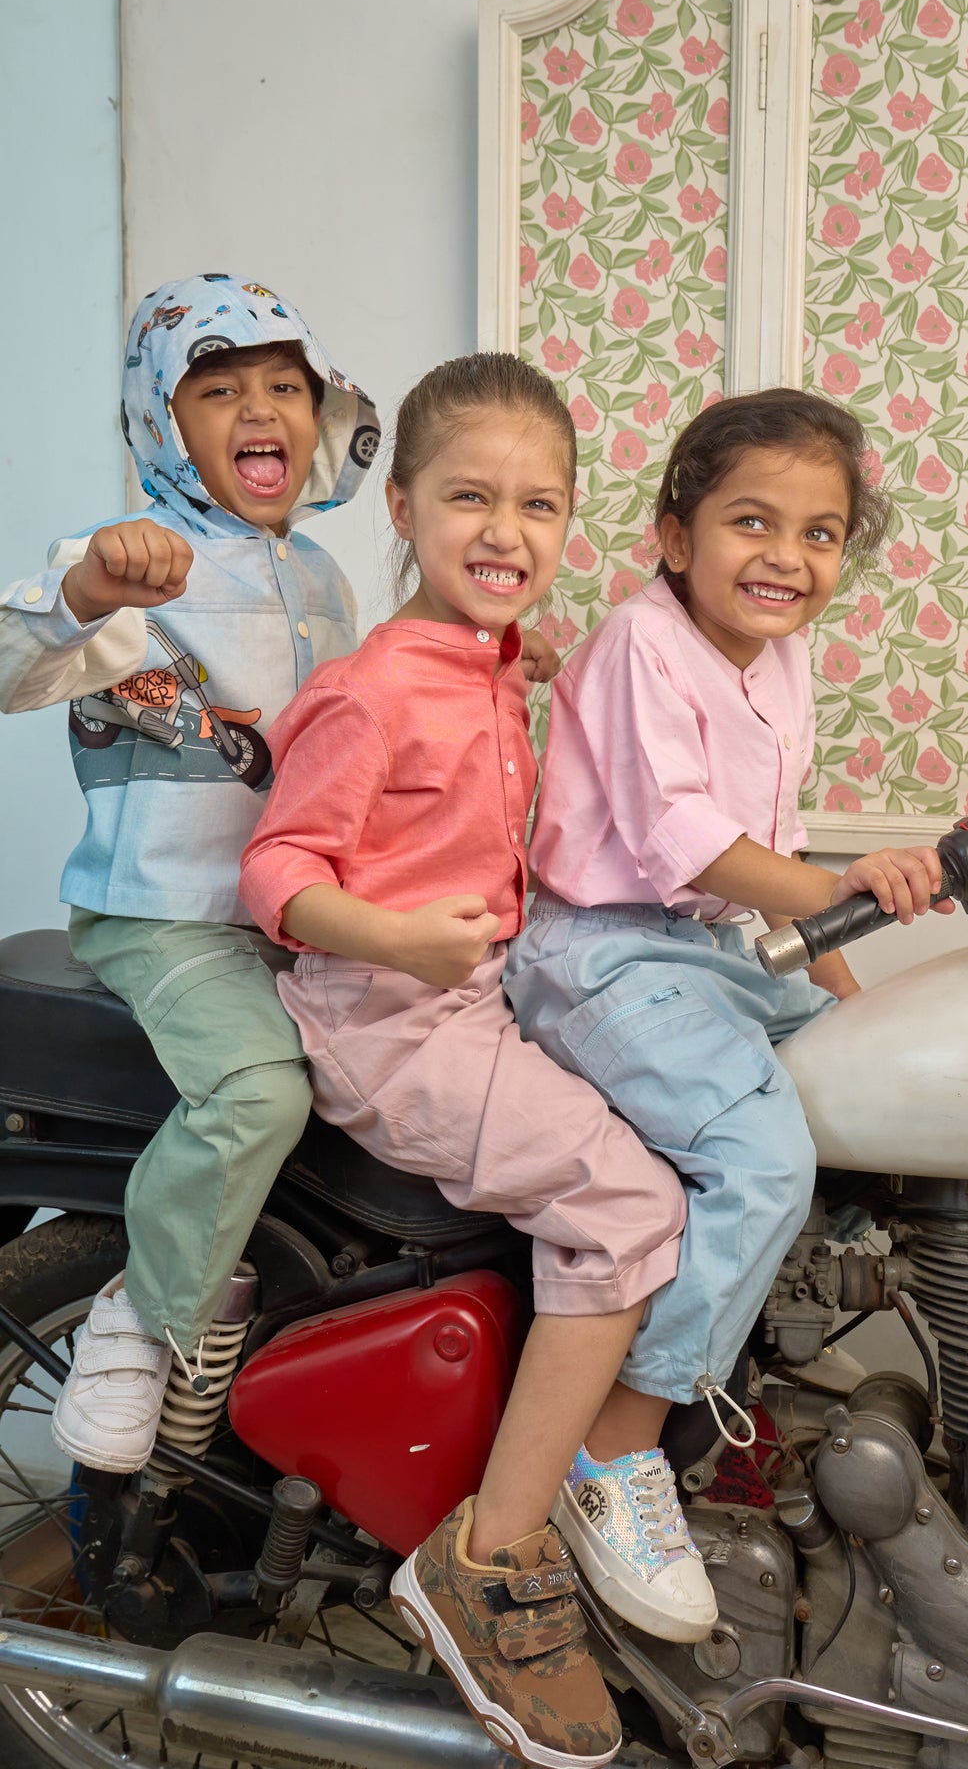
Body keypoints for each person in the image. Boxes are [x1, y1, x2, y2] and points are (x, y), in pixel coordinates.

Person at [0, 278, 560, 1478]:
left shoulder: (322, 578)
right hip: (167, 915)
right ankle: (142, 1317)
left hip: (298, 916)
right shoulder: (128, 557)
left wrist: (498, 659)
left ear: (321, 416)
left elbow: (370, 736)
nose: (260, 410)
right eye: (217, 390)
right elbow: (12, 667)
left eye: (285, 388)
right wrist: (87, 590)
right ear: (161, 421)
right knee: (259, 1091)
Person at [239, 353, 713, 1769]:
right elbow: (277, 871)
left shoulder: (495, 660)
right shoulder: (369, 690)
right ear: (400, 507)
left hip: (478, 998)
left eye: (540, 505)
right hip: (392, 1022)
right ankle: (490, 1557)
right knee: (628, 1207)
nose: (506, 531)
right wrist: (397, 936)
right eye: (469, 499)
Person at [503, 388, 953, 1567]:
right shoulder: (639, 643)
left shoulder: (783, 657)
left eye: (819, 533)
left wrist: (850, 1001)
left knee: (893, 1088)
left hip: (707, 953)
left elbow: (776, 866)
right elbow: (689, 843)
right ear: (675, 535)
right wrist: (857, 882)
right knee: (761, 1159)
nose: (786, 556)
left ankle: (756, 1370)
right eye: (753, 522)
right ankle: (614, 1449)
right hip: (601, 953)